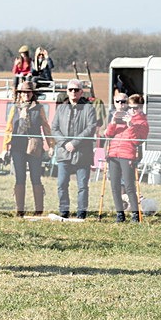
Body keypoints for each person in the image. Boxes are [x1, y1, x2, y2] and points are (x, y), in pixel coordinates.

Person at [2, 81, 55, 216]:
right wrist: (5, 147)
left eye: (28, 92)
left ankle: (38, 210)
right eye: (23, 92)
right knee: (20, 178)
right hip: (17, 147)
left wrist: (51, 145)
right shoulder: (14, 108)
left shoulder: (39, 108)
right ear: (20, 94)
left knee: (35, 177)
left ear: (32, 94)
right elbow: (9, 128)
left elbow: (46, 127)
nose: (26, 94)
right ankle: (20, 210)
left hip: (34, 147)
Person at [51, 79, 97, 219]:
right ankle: (64, 210)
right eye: (70, 89)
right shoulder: (61, 108)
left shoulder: (89, 108)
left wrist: (75, 143)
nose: (73, 92)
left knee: (82, 186)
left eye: (76, 90)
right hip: (64, 153)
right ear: (67, 91)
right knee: (62, 184)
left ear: (81, 92)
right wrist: (65, 143)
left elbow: (91, 128)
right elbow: (54, 128)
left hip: (82, 154)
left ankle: (81, 212)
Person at [104, 93, 149, 223]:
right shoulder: (119, 117)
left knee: (129, 186)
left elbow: (137, 141)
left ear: (141, 108)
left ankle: (135, 215)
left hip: (128, 154)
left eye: (135, 108)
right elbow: (107, 134)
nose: (132, 110)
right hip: (113, 154)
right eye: (131, 108)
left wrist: (130, 125)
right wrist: (112, 122)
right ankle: (120, 214)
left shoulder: (142, 121)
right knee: (114, 186)